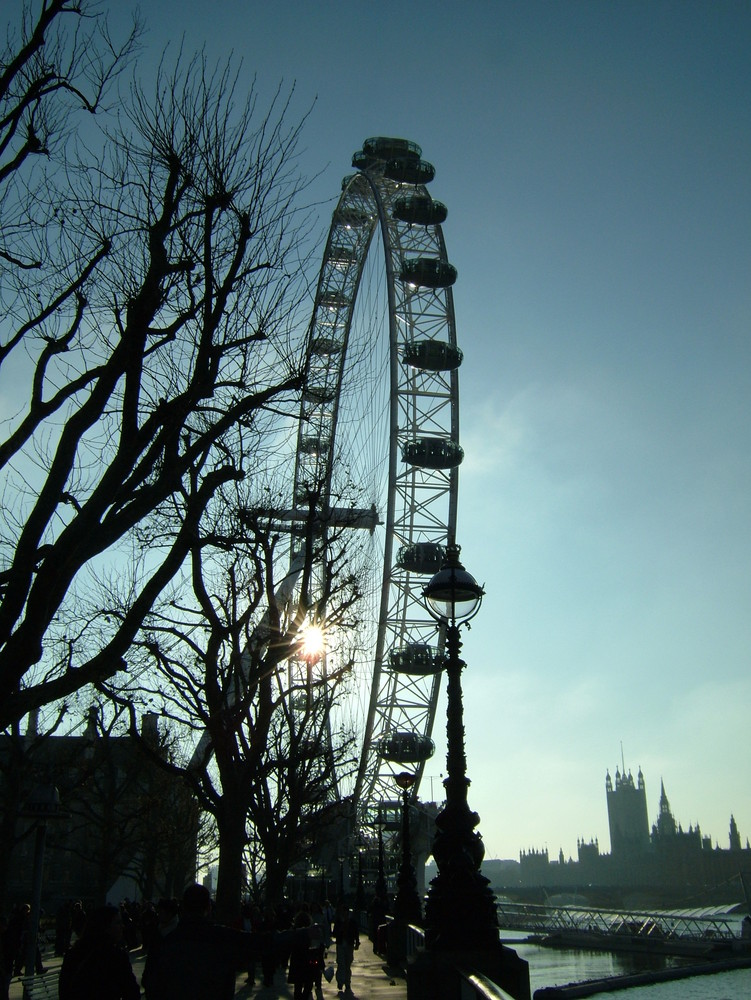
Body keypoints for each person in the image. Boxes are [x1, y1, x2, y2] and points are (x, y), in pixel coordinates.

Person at [142, 883, 261, 1000]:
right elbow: (257, 945)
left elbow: (150, 980)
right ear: (208, 907)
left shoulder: (166, 941)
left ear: (183, 907)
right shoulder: (222, 938)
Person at [58, 905, 140, 1000]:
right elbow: (131, 992)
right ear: (106, 926)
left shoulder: (74, 953)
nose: (122, 926)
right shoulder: (115, 956)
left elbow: (64, 989)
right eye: (118, 923)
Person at [332, 901, 359, 995]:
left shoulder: (351, 922)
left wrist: (357, 943)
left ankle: (347, 982)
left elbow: (356, 932)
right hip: (341, 944)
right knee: (341, 963)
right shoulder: (339, 922)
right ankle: (340, 981)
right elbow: (334, 933)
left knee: (347, 964)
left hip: (349, 944)